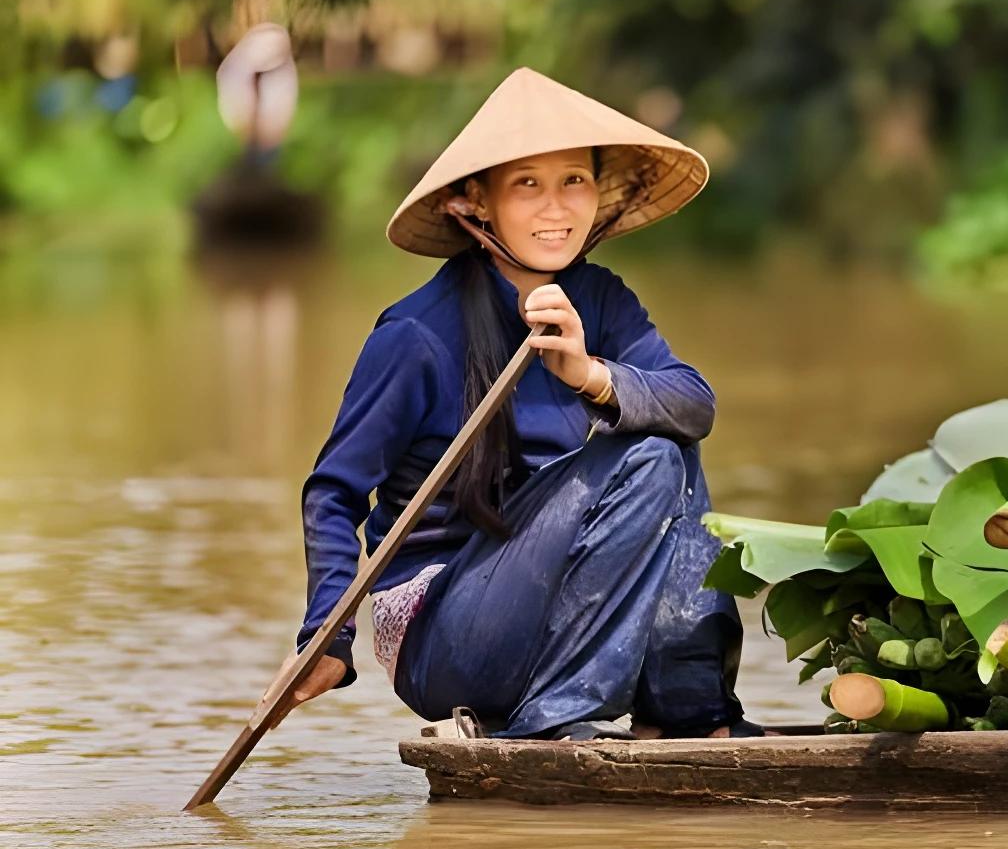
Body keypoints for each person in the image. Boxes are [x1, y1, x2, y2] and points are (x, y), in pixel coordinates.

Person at [266, 67, 759, 740]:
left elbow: (693, 403)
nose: (555, 208)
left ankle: (690, 714)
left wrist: (590, 374)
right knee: (648, 455)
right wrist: (326, 635)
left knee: (667, 438)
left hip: (550, 603)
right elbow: (334, 492)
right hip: (439, 628)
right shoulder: (416, 335)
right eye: (527, 184)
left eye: (572, 182)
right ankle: (553, 722)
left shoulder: (602, 300)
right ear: (476, 203)